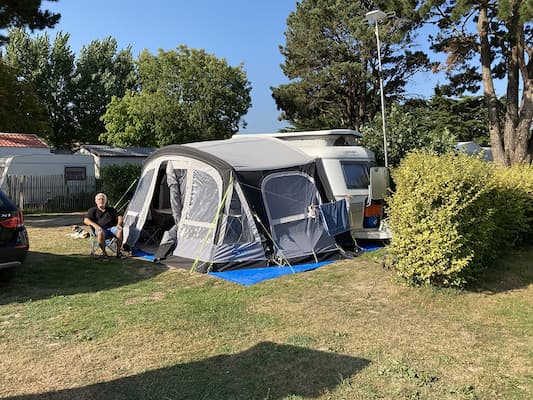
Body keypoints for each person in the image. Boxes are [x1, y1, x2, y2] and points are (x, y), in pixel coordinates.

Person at [84, 193, 124, 257]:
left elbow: (120, 217)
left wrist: (119, 224)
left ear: (105, 201)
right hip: (100, 230)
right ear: (96, 201)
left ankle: (118, 252)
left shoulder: (111, 209)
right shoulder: (92, 210)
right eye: (99, 199)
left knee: (119, 230)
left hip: (112, 228)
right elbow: (86, 220)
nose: (101, 200)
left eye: (103, 199)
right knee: (100, 232)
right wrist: (96, 226)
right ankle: (104, 253)